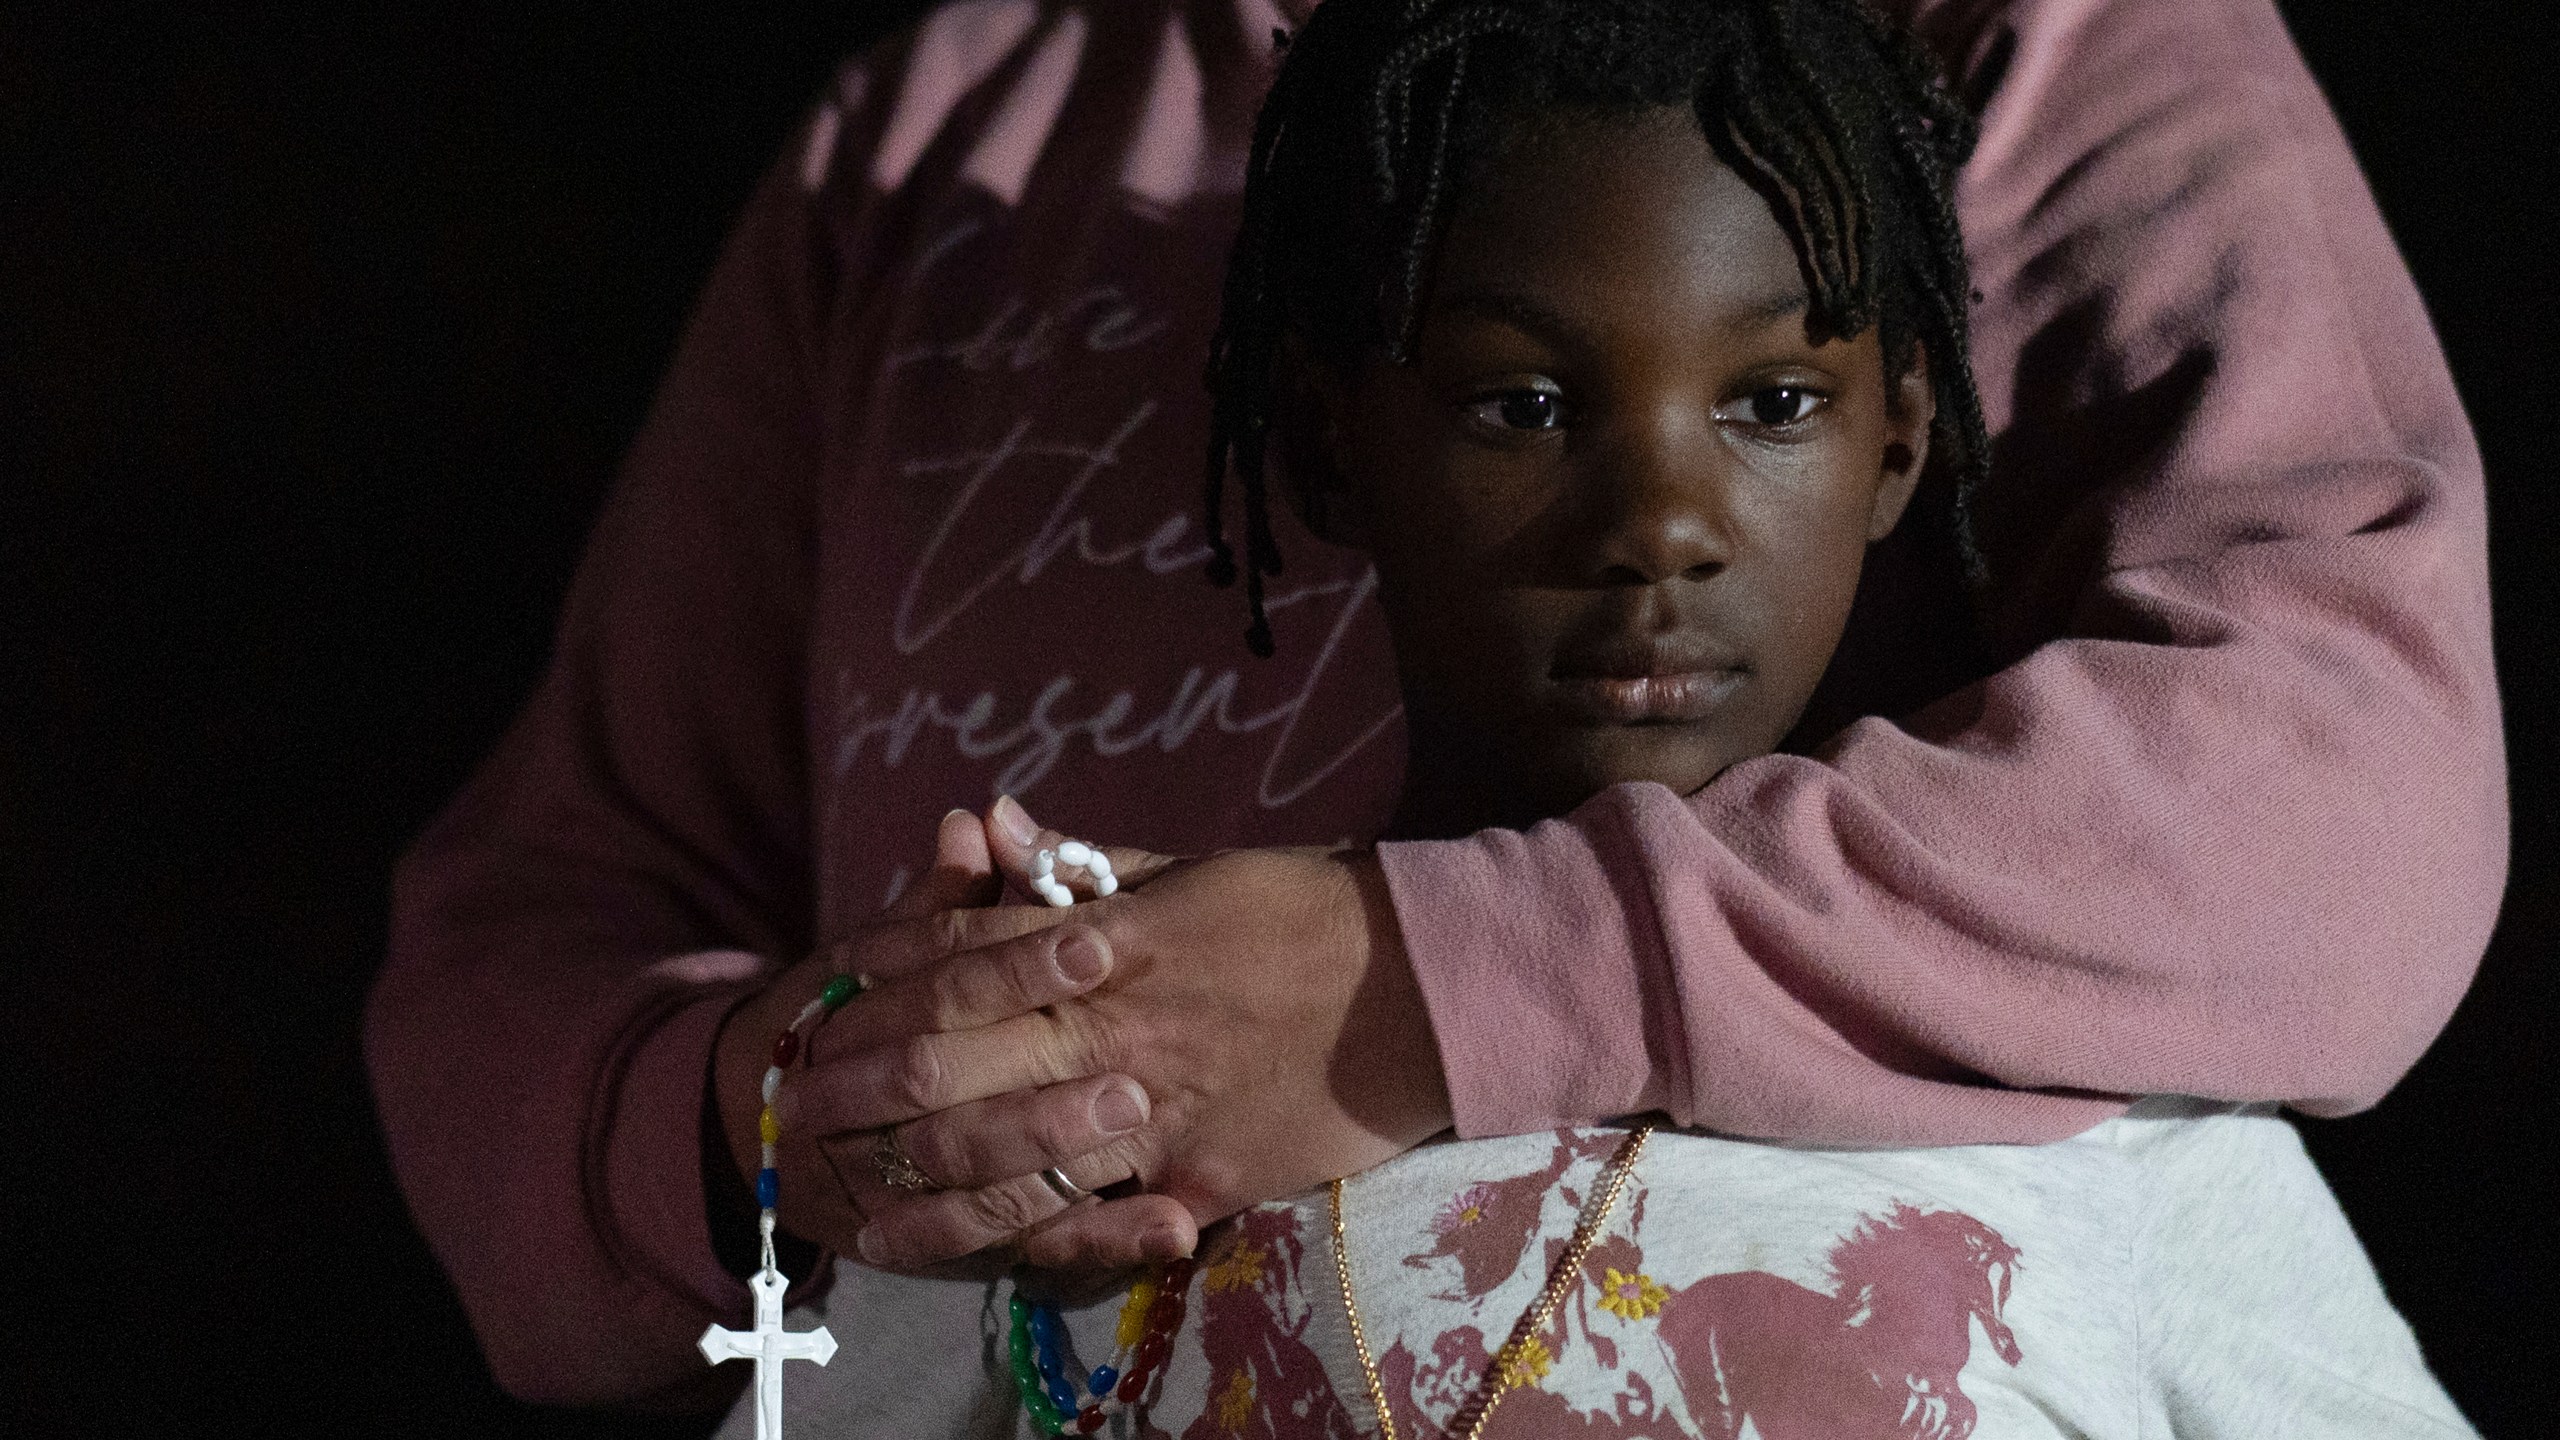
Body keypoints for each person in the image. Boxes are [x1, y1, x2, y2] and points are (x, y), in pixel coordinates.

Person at [366, 0, 2502, 1414]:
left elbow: (2334, 795)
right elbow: (539, 947)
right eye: (1509, 403)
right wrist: (792, 1117)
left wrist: (1410, 977)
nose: (1650, 516)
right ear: (1326, 440)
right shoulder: (950, 128)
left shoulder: (2007, 40)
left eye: (1768, 402)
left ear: (1892, 430)